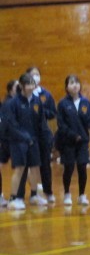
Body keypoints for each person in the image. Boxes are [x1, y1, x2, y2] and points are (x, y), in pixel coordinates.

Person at [4, 73, 48, 210]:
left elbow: (41, 122)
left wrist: (45, 137)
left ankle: (34, 195)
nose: (31, 86)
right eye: (28, 84)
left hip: (33, 141)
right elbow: (11, 124)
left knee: (35, 168)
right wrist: (24, 137)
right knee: (20, 169)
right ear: (22, 86)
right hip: (18, 141)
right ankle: (13, 198)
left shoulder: (37, 101)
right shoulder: (13, 103)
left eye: (32, 83)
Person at [56, 75, 90, 206]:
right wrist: (73, 135)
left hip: (83, 141)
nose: (75, 85)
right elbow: (61, 124)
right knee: (69, 168)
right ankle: (67, 193)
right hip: (68, 141)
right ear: (67, 87)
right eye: (72, 83)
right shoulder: (63, 103)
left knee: (82, 168)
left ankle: (82, 195)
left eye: (77, 82)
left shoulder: (86, 103)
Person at [24, 66, 57, 203]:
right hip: (28, 134)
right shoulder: (23, 95)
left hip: (43, 134)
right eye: (33, 74)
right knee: (27, 165)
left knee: (45, 164)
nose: (35, 77)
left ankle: (48, 192)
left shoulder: (46, 95)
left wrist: (41, 112)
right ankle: (26, 193)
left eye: (37, 74)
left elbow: (52, 112)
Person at [0, 79, 19, 207]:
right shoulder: (8, 103)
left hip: (10, 139)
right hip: (6, 140)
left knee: (21, 167)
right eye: (17, 86)